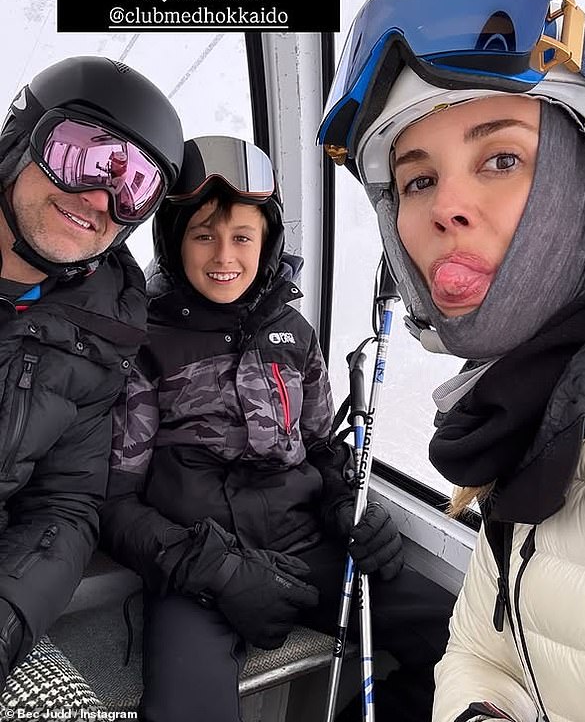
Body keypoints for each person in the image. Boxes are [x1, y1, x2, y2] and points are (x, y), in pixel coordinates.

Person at [317, 0, 585, 722]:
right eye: (418, 179)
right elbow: (483, 650)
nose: (444, 207)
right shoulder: (522, 420)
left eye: (499, 158)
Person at [100, 135, 455, 722]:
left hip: (305, 544)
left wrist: (350, 507)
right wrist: (215, 570)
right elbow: (114, 505)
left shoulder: (292, 332)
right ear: (172, 241)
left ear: (266, 242)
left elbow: (321, 447)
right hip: (199, 564)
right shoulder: (145, 342)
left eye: (242, 236)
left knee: (454, 637)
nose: (224, 256)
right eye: (203, 235)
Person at [0, 55, 184, 693]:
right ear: (20, 138)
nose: (100, 198)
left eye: (133, 182)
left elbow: (66, 502)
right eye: (81, 155)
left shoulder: (100, 333)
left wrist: (7, 619)